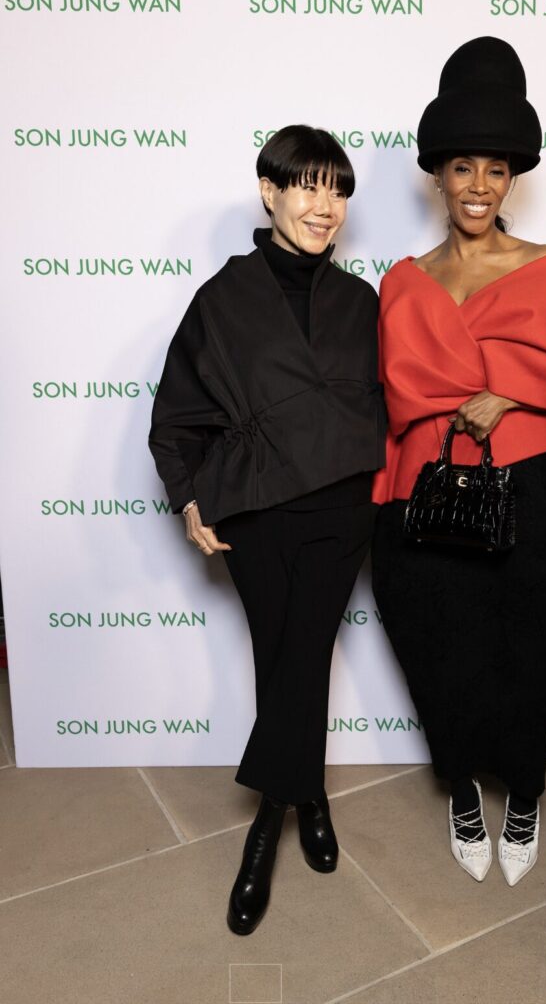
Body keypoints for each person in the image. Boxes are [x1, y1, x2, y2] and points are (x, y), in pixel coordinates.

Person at [371, 38, 546, 887]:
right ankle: (463, 790)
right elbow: (391, 396)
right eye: (462, 166)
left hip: (533, 487)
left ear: (512, 180)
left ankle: (525, 792)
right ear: (437, 175)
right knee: (440, 648)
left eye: (495, 170)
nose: (478, 185)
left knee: (539, 645)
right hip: (424, 489)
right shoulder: (402, 281)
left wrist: (506, 392)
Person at [148, 125, 385, 934]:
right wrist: (188, 500)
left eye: (338, 190)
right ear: (270, 191)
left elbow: (388, 403)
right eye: (308, 185)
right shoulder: (223, 298)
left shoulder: (362, 302)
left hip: (343, 510)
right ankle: (309, 796)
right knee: (281, 657)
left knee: (305, 652)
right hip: (255, 511)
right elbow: (177, 414)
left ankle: (263, 830)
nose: (325, 205)